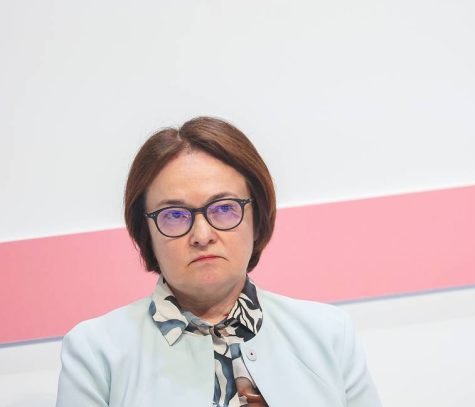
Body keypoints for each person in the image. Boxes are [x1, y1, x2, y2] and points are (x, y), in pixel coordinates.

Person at [55, 116, 382, 407]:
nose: (202, 235)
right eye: (174, 215)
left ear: (257, 218)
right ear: (147, 232)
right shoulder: (96, 353)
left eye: (224, 208)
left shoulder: (328, 334)